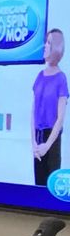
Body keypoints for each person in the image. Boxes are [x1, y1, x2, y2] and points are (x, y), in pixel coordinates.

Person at [35, 27, 67, 187]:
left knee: (50, 188)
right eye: (45, 42)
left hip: (52, 140)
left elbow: (60, 119)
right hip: (38, 138)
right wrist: (34, 144)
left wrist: (46, 146)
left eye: (48, 43)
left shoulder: (61, 79)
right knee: (38, 187)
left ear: (56, 48)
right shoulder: (39, 76)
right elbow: (33, 111)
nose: (45, 46)